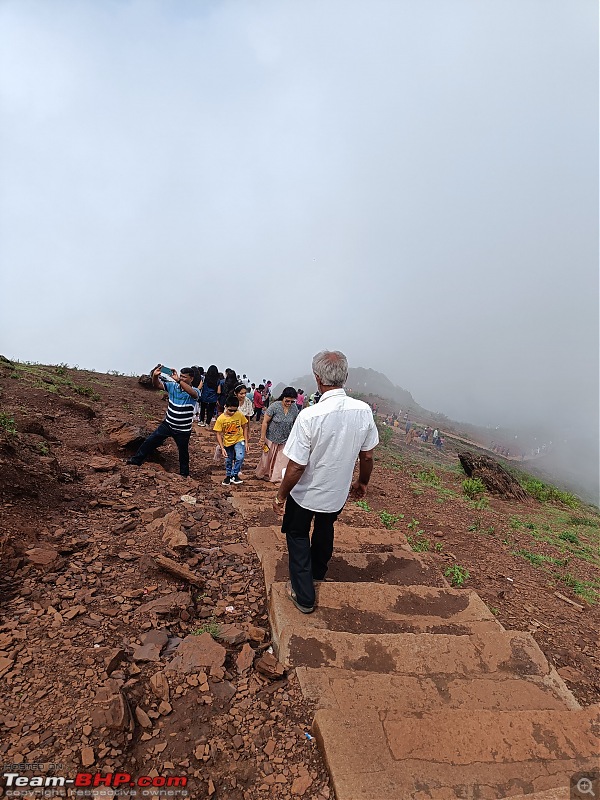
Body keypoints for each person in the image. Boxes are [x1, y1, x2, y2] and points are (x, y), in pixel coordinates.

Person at [272, 351, 378, 613]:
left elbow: (296, 466)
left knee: (297, 534)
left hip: (306, 494)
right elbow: (367, 456)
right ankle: (318, 571)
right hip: (337, 492)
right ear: (345, 377)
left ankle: (304, 594)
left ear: (317, 379)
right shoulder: (363, 411)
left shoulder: (309, 416)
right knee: (325, 526)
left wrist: (281, 495)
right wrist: (362, 482)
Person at [127, 365, 202, 477]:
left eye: (184, 377)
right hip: (168, 424)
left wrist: (178, 380)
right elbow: (157, 385)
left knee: (183, 452)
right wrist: (155, 376)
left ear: (191, 378)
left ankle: (184, 474)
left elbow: (193, 394)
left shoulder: (195, 391)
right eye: (180, 376)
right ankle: (135, 460)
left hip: (183, 429)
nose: (181, 378)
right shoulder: (172, 386)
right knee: (150, 441)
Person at [256, 387, 299, 483]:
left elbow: (296, 423)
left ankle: (277, 478)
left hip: (285, 438)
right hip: (271, 437)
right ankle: (264, 474)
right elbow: (265, 422)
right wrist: (262, 438)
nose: (289, 403)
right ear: (283, 397)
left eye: (292, 401)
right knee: (267, 459)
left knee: (281, 461)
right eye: (287, 401)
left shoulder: (294, 408)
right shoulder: (274, 406)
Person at [213, 395, 250, 486]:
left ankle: (234, 474)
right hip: (227, 442)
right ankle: (228, 476)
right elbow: (218, 433)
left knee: (240, 457)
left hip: (239, 439)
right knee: (228, 460)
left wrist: (246, 441)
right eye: (230, 410)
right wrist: (222, 448)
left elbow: (245, 426)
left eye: (235, 410)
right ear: (225, 406)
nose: (233, 412)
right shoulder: (221, 419)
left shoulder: (239, 415)